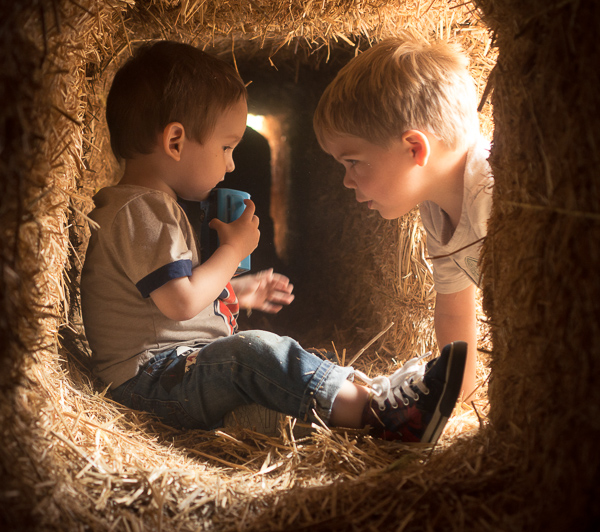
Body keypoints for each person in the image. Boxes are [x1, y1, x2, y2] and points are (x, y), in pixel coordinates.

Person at [80, 40, 467, 443]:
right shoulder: (141, 210)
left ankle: (366, 399)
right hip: (154, 381)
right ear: (175, 142)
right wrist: (233, 251)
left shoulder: (155, 208)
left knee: (282, 375)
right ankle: (384, 414)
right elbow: (180, 303)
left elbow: (167, 300)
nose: (231, 163)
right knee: (255, 353)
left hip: (175, 374)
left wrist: (236, 292)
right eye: (226, 147)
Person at [313, 36, 492, 402]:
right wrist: (463, 403)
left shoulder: (494, 193)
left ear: (415, 148)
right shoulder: (436, 209)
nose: (347, 180)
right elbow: (455, 314)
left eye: (353, 162)